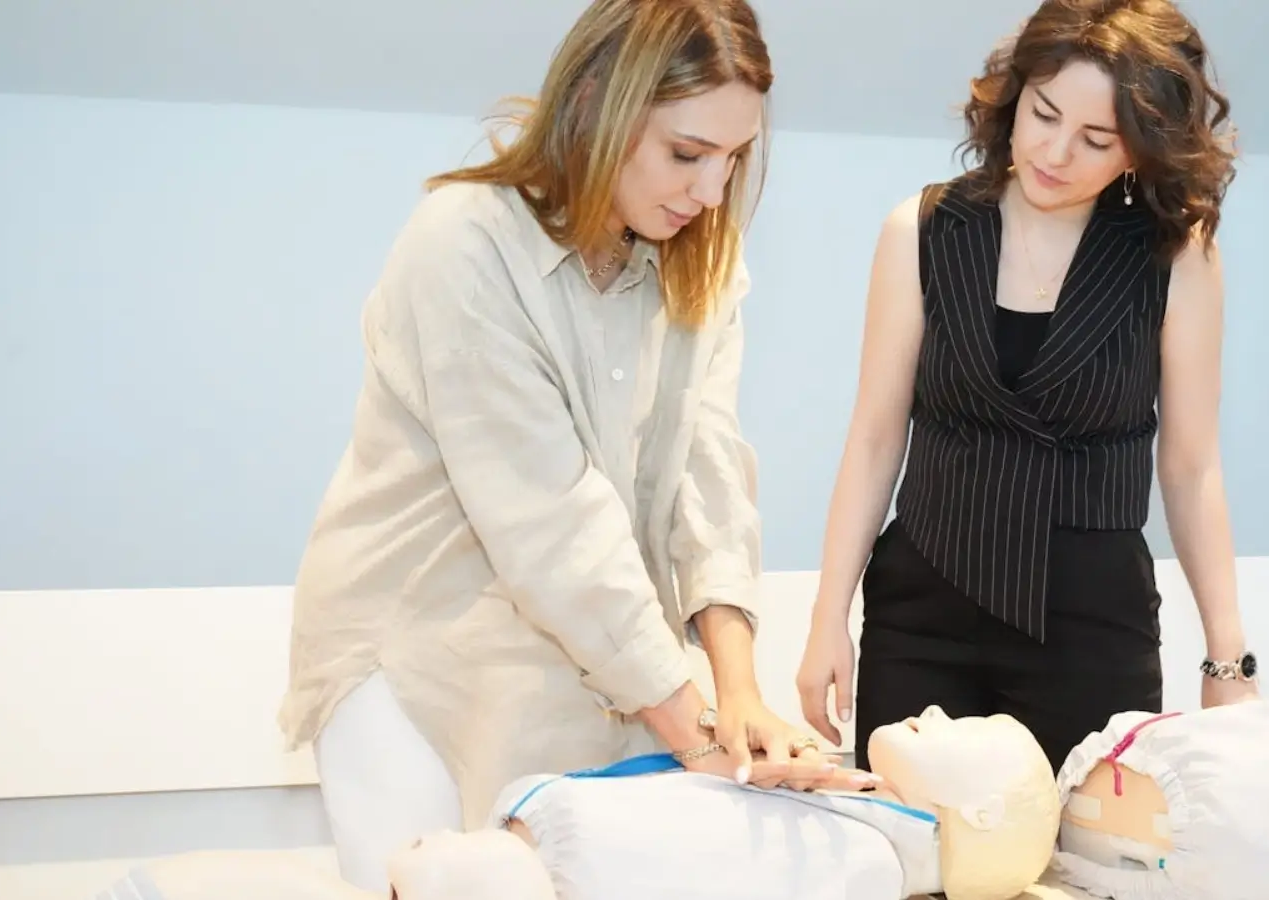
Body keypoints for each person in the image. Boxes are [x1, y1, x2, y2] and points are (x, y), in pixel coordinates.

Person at [276, 0, 843, 890]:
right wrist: (696, 732)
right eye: (687, 154)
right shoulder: (463, 245)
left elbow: (707, 472)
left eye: (733, 161)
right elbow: (549, 521)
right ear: (594, 105)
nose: (709, 191)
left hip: (594, 665)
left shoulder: (704, 255)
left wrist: (738, 691)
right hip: (414, 662)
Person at [796, 0, 1256, 775]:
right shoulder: (922, 229)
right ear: (1015, 94)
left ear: (1139, 152)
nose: (1055, 151)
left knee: (1094, 865)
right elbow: (876, 440)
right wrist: (826, 617)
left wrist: (1228, 663)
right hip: (923, 615)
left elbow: (1190, 467)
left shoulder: (1176, 255)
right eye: (1043, 114)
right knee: (921, 861)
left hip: (1093, 627)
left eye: (1096, 139)